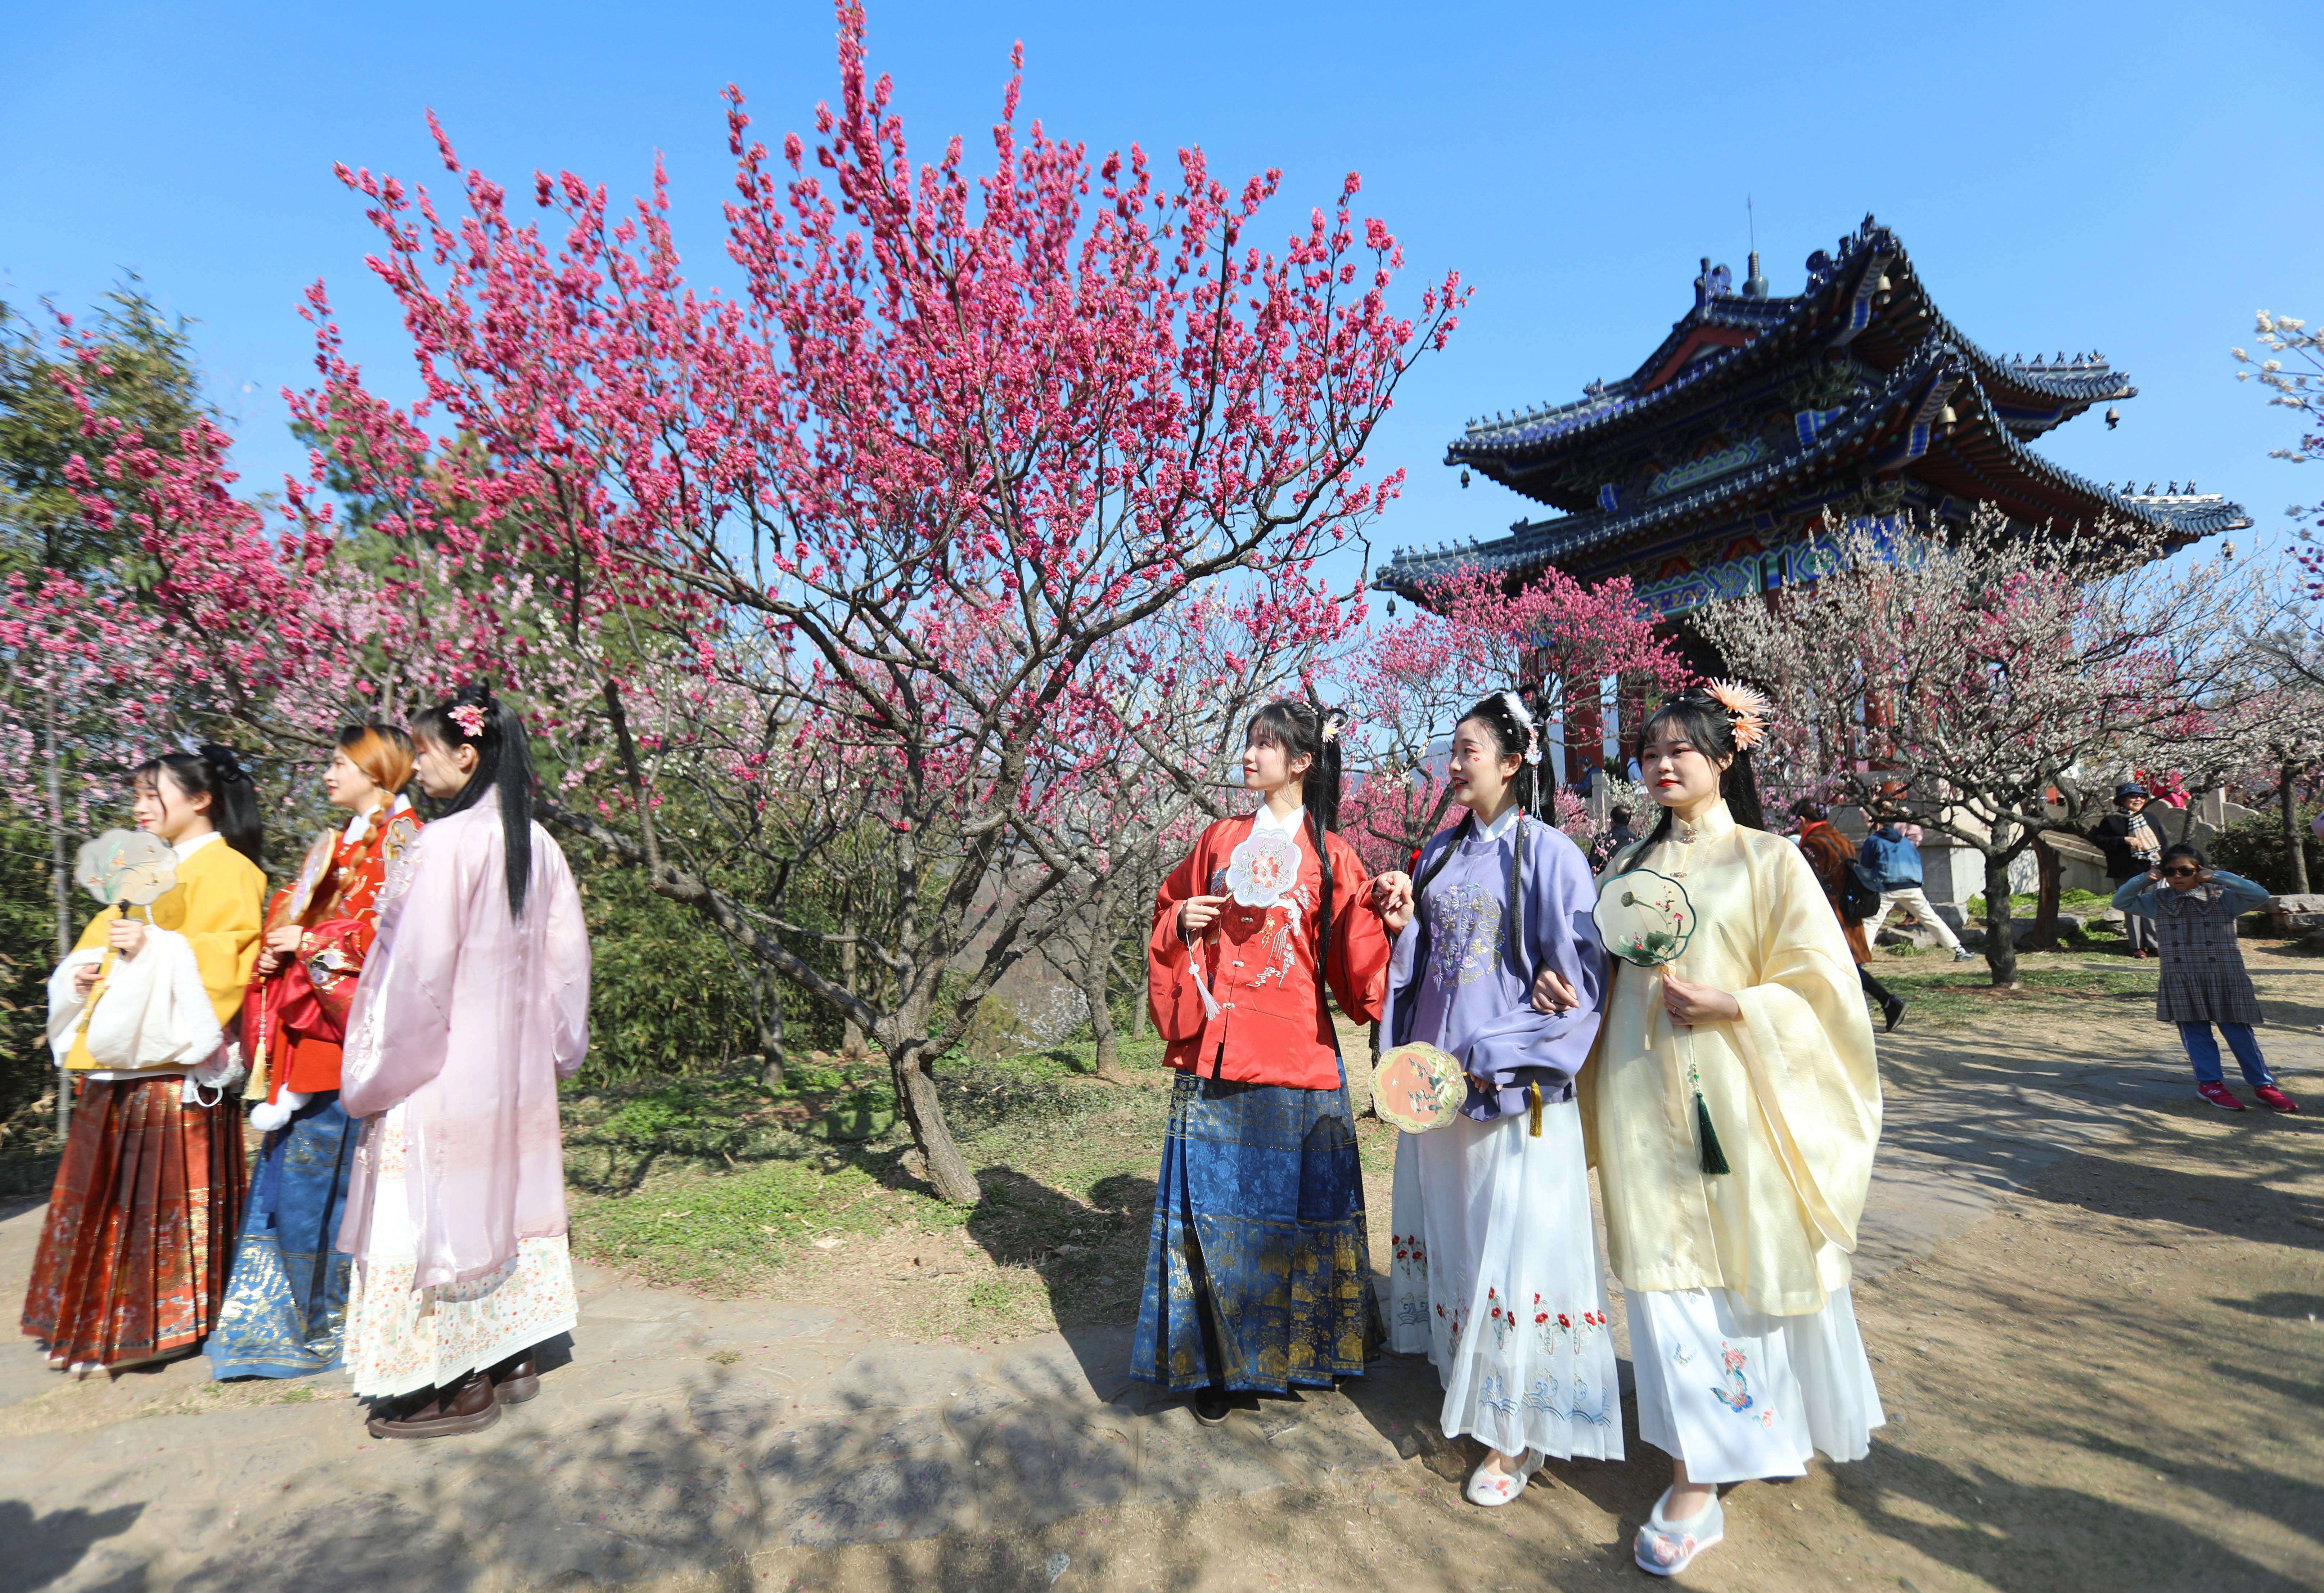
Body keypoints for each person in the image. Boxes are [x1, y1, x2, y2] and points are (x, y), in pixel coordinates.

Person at [1553, 683, 1883, 1578]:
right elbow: (1599, 978)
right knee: (1666, 1281)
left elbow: (1824, 987)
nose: (1662, 765)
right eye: (1649, 752)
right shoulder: (1624, 866)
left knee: (1743, 1265)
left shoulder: (1769, 861)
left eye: (1682, 750)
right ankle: (1695, 1471)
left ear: (1724, 759)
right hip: (1637, 1096)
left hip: (1736, 1099)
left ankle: (1742, 1438)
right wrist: (1566, 995)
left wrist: (1738, 1002)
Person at [1370, 692, 1622, 1507]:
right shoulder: (1437, 854)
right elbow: (1429, 966)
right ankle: (1474, 1389)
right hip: (1440, 1089)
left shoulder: (1553, 855)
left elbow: (1578, 985)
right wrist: (1407, 923)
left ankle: (1518, 1434)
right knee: (1461, 1241)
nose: (1452, 765)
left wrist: (1499, 1051)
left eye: (1467, 751)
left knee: (1516, 1255)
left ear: (1514, 763)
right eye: (1450, 749)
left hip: (1510, 1091)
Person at [337, 686, 592, 1438]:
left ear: (466, 753)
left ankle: (449, 1383)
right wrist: (552, 1051)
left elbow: (413, 974)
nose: (416, 766)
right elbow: (567, 966)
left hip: (443, 1069)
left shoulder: (441, 844)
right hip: (514, 1079)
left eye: (423, 750)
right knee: (503, 1206)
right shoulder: (538, 844)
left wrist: (380, 1064)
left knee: (431, 1218)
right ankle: (512, 1354)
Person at [1135, 700, 1395, 1424]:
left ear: (1303, 761)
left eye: (1265, 745)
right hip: (1220, 1050)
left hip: (1299, 1056)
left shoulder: (1334, 854)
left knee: (1302, 1223)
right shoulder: (1219, 839)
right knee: (1217, 1219)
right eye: (1248, 742)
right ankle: (1217, 1365)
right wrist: (1176, 919)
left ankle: (1307, 1355)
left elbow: (1358, 970)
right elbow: (1170, 905)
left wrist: (1384, 912)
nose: (1249, 756)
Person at [27, 744, 266, 1375]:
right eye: (136, 794)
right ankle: (103, 1315)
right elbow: (100, 943)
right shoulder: (143, 865)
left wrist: (154, 945)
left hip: (170, 1063)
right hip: (122, 1054)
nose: (138, 807)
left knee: (157, 1196)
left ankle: (167, 1319)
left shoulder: (233, 870)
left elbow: (228, 959)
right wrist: (81, 973)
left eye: (151, 794)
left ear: (201, 798)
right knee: (111, 1194)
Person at [207, 726, 422, 1381]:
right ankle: (303, 1314)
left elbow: (401, 926)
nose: (328, 773)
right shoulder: (346, 837)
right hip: (316, 1025)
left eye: (339, 762)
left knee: (326, 1174)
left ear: (376, 768)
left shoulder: (404, 834)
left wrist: (308, 939)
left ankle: (319, 1317)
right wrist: (283, 940)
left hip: (346, 1031)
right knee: (308, 1171)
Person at [2113, 843, 2301, 1113]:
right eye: (2170, 871)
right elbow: (2121, 902)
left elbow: (2259, 894)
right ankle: (2210, 1085)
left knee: (2239, 1032)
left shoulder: (2224, 897)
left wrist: (2219, 876)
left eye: (2185, 870)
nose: (2177, 876)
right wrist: (2144, 879)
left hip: (2226, 975)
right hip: (2182, 977)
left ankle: (2264, 1086)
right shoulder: (2157, 901)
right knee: (2196, 1033)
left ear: (2199, 871)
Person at [1793, 800, 1907, 1032]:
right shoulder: (1840, 837)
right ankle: (1884, 1005)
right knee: (1841, 965)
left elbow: (1809, 880)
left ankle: (1885, 1003)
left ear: (1803, 820)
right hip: (1846, 908)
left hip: (1827, 912)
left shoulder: (1814, 842)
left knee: (1832, 965)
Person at [1857, 802, 1973, 964]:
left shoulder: (1874, 841)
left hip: (1887, 887)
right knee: (1931, 919)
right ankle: (1959, 950)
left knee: (1872, 922)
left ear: (1879, 825)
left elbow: (1865, 867)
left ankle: (1861, 958)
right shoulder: (1906, 843)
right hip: (1912, 886)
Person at [2087, 783, 2165, 958]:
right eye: (2133, 796)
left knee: (2151, 906)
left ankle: (2154, 944)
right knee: (2132, 908)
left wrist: (2164, 865)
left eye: (2141, 796)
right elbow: (2100, 840)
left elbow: (2163, 843)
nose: (2138, 799)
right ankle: (2137, 946)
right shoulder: (2111, 820)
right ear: (2122, 800)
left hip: (2153, 868)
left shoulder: (2151, 818)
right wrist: (2124, 840)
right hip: (2126, 870)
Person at [1589, 804, 1636, 872]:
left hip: (1605, 880)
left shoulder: (1601, 838)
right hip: (1630, 880)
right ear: (1629, 821)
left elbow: (1592, 865)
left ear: (1612, 820)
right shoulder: (1636, 840)